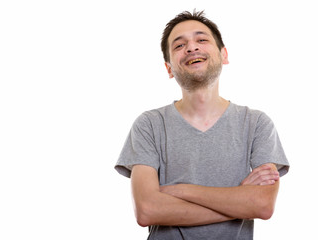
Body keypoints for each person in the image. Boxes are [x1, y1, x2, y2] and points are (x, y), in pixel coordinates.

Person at [114, 9, 289, 240]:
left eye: (202, 40)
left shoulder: (257, 124)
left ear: (224, 55)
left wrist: (179, 190)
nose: (191, 47)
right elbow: (147, 210)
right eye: (179, 45)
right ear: (169, 69)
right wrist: (239, 200)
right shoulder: (149, 125)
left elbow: (263, 205)